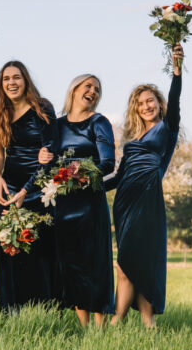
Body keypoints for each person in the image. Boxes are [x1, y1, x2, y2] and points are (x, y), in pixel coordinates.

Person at [106, 44, 184, 328]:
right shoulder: (133, 141)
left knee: (140, 262)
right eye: (141, 103)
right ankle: (125, 321)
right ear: (135, 109)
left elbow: (175, 101)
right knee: (126, 264)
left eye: (150, 101)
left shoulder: (167, 128)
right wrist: (86, 184)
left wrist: (176, 71)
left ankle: (140, 322)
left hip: (148, 201)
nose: (147, 106)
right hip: (124, 205)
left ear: (159, 104)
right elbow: (117, 178)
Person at [37, 74, 115, 326]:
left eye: (97, 89)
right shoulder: (57, 125)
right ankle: (84, 327)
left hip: (90, 202)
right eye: (88, 86)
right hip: (64, 203)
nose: (93, 91)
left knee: (95, 263)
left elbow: (108, 163)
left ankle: (100, 330)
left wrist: (82, 172)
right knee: (72, 263)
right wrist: (43, 157)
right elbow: (49, 161)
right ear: (74, 90)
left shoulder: (99, 122)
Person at [0, 61, 56, 312]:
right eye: (6, 78)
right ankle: (11, 311)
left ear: (25, 80)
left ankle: (43, 311)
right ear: (1, 84)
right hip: (9, 186)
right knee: (11, 247)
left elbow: (51, 151)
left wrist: (27, 190)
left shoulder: (43, 107)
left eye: (16, 77)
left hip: (39, 186)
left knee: (39, 249)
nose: (11, 82)